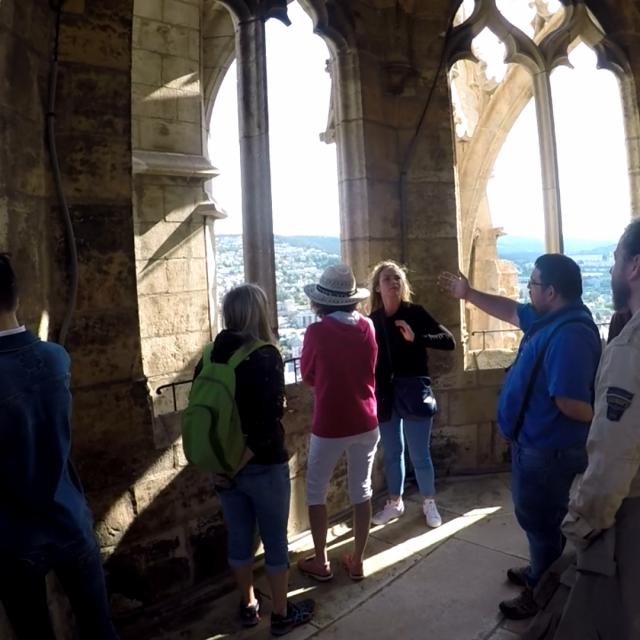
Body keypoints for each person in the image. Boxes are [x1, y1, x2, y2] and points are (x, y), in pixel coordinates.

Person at [438, 254, 601, 620]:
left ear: (552, 291)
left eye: (533, 284)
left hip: (548, 449)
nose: (528, 290)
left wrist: (599, 425)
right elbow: (511, 311)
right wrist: (468, 293)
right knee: (536, 517)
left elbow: (572, 401)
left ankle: (542, 592)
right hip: (536, 445)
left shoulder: (570, 334)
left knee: (542, 520)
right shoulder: (550, 319)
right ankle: (540, 571)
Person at [0, 254, 119, 640]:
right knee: (100, 629)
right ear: (16, 299)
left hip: (13, 535)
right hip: (68, 515)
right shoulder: (56, 359)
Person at [195, 284, 314, 636]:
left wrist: (223, 468)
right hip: (261, 464)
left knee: (239, 536)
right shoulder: (264, 355)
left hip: (221, 463)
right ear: (257, 313)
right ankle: (281, 613)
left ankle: (248, 605)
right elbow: (263, 429)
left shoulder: (209, 353)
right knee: (276, 539)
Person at [552, 220, 640, 639]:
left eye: (616, 259)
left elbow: (613, 456)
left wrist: (582, 522)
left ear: (635, 267)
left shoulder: (630, 349)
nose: (610, 270)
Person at [297, 264, 379, 582]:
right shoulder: (368, 327)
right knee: (362, 489)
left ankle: (321, 561)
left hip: (331, 422)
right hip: (367, 419)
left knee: (316, 490)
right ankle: (357, 560)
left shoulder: (317, 332)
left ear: (321, 301)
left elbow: (306, 375)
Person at [367, 260, 455, 528]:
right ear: (378, 288)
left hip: (413, 390)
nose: (393, 283)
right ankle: (395, 502)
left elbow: (448, 341)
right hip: (386, 393)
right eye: (387, 279)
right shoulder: (373, 321)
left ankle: (429, 503)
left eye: (397, 278)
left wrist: (417, 338)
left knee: (419, 453)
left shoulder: (415, 313)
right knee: (393, 452)